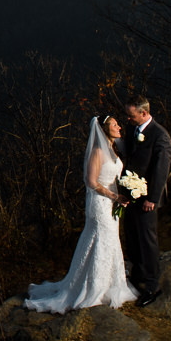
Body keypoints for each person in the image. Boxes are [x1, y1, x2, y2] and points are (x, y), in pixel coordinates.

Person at [25, 115, 139, 313]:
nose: (119, 126)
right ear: (104, 129)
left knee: (108, 240)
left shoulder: (113, 149)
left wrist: (127, 189)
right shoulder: (97, 152)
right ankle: (94, 287)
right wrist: (113, 194)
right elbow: (91, 181)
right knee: (103, 238)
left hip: (113, 202)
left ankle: (110, 283)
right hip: (100, 203)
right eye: (114, 125)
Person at [118, 95, 171, 307]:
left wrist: (152, 198)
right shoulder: (132, 130)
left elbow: (160, 170)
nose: (128, 120)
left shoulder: (160, 136)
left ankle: (152, 285)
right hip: (130, 194)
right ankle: (137, 275)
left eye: (131, 116)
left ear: (144, 113)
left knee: (147, 240)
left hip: (147, 197)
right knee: (132, 236)